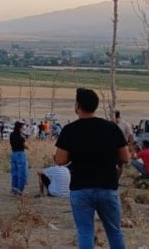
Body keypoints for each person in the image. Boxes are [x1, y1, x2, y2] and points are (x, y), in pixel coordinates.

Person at [55, 88, 129, 249]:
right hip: (107, 186)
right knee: (114, 232)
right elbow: (125, 158)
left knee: (85, 233)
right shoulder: (111, 128)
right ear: (95, 105)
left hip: (81, 188)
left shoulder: (70, 130)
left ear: (78, 106)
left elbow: (60, 160)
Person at [10, 121, 29, 196]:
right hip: (20, 154)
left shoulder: (11, 135)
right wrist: (24, 138)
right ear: (19, 128)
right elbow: (27, 147)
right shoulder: (21, 137)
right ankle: (20, 190)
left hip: (13, 154)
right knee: (22, 173)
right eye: (22, 128)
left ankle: (14, 188)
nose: (23, 129)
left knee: (14, 173)